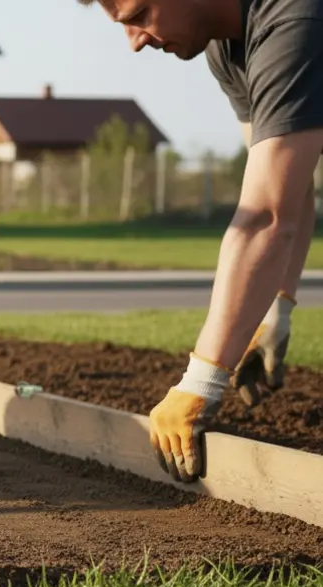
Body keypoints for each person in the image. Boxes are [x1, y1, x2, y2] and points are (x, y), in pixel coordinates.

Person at [84, 0, 323, 482]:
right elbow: (289, 188)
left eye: (138, 14)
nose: (134, 41)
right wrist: (275, 308)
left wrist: (201, 382)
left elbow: (263, 218)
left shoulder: (297, 20)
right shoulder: (228, 47)